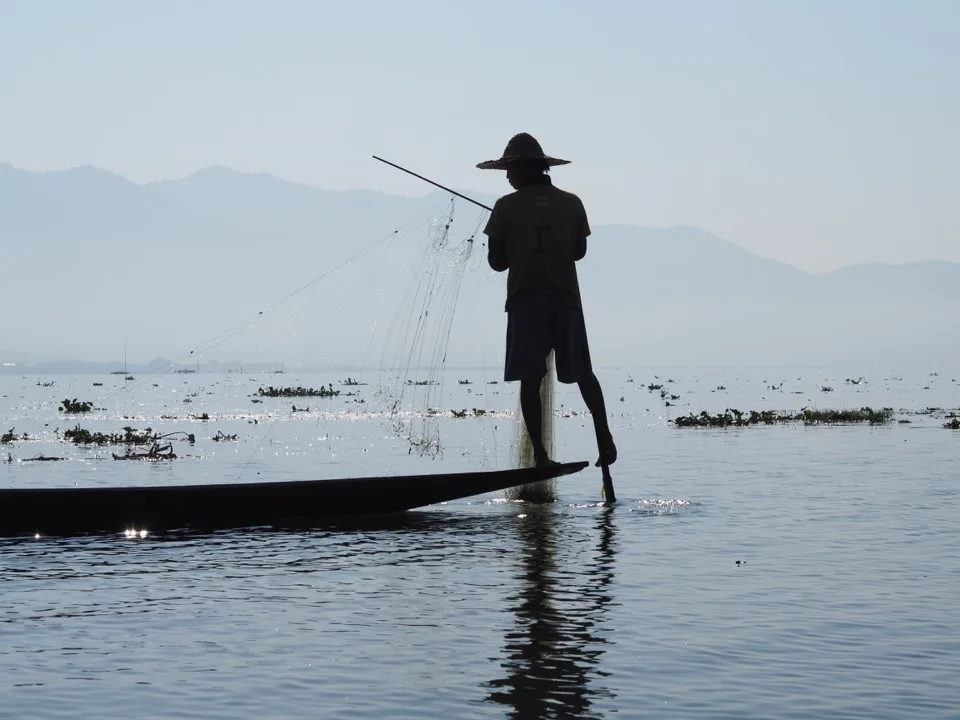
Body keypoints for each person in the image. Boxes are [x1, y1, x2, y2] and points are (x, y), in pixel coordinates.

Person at [478, 133, 617, 470]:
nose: (508, 177)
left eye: (510, 170)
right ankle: (605, 440)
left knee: (530, 380)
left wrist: (516, 240)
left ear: (525, 169)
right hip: (565, 301)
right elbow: (579, 252)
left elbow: (496, 262)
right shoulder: (571, 203)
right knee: (584, 374)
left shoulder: (505, 207)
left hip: (527, 303)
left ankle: (540, 457)